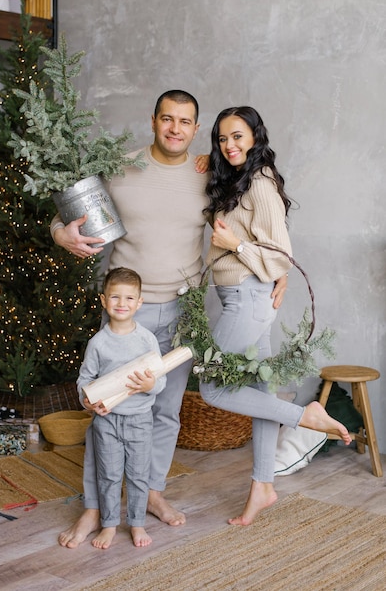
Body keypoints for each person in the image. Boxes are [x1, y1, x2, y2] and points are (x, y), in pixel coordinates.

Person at [53, 92, 287, 547]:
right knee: (104, 409)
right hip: (126, 313)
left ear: (196, 128)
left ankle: (152, 495)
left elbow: (265, 224)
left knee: (165, 411)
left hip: (184, 310)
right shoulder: (120, 166)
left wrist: (281, 276)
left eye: (185, 122)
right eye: (167, 119)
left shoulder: (211, 174)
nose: (176, 129)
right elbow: (69, 207)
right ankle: (93, 509)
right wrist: (61, 233)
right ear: (154, 120)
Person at [199, 105, 351, 527]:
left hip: (246, 298)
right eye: (222, 138)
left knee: (212, 388)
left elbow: (280, 254)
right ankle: (263, 486)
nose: (230, 145)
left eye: (237, 136)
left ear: (255, 137)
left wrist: (236, 247)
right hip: (246, 296)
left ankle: (305, 417)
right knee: (260, 397)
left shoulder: (260, 182)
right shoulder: (238, 179)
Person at [76, 267, 166, 549]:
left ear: (139, 303)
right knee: (109, 475)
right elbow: (85, 380)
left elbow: (159, 381)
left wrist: (149, 385)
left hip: (140, 419)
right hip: (107, 422)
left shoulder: (146, 340)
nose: (122, 304)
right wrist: (87, 400)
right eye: (115, 297)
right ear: (104, 301)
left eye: (129, 298)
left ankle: (137, 524)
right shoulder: (98, 344)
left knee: (139, 475)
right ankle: (109, 525)